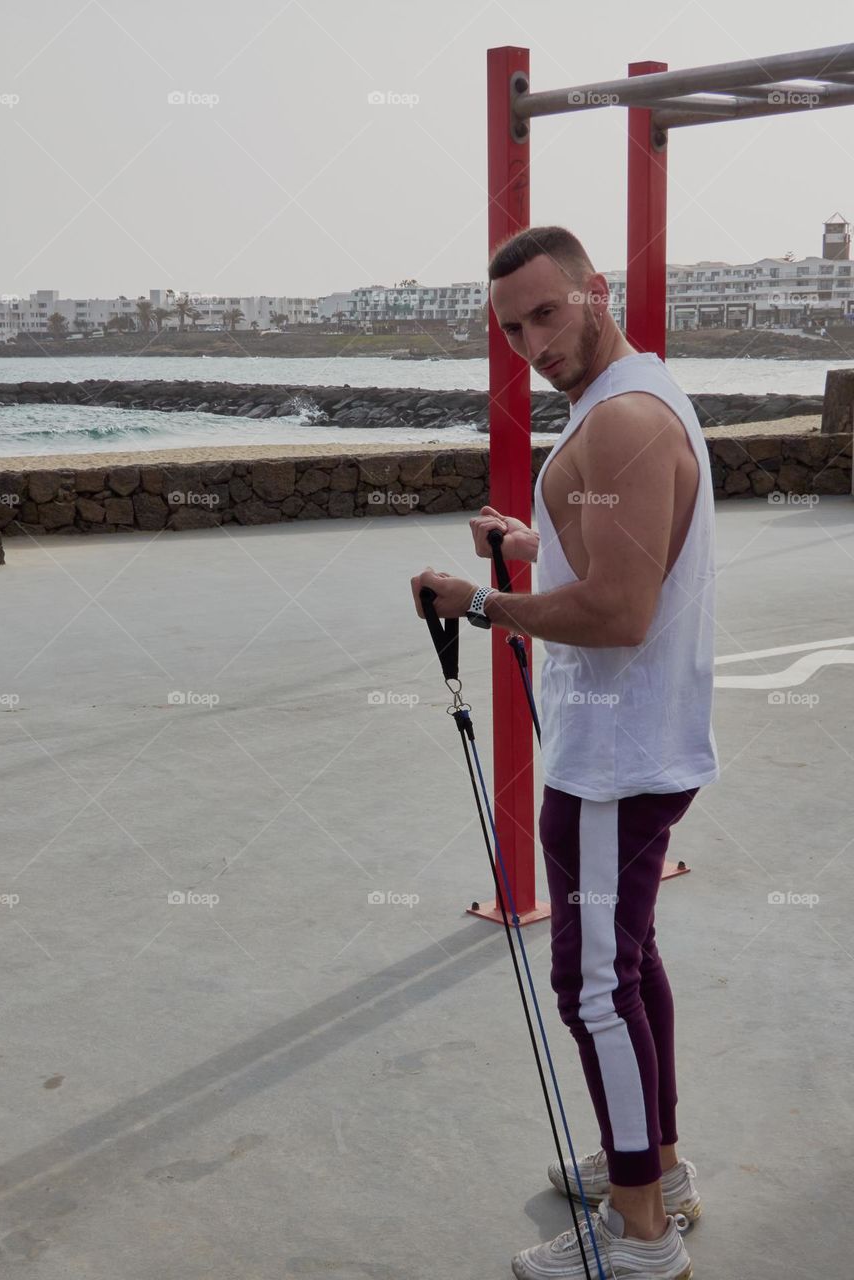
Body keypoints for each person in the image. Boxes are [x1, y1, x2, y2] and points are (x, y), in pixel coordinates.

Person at [410, 226, 720, 1280]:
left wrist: (481, 600)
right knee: (627, 963)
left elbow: (622, 612)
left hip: (613, 762)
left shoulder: (620, 421)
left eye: (548, 313)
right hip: (644, 748)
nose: (534, 344)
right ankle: (658, 1171)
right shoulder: (642, 394)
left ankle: (641, 1234)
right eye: (512, 329)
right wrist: (530, 542)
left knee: (593, 988)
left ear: (599, 291)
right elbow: (629, 550)